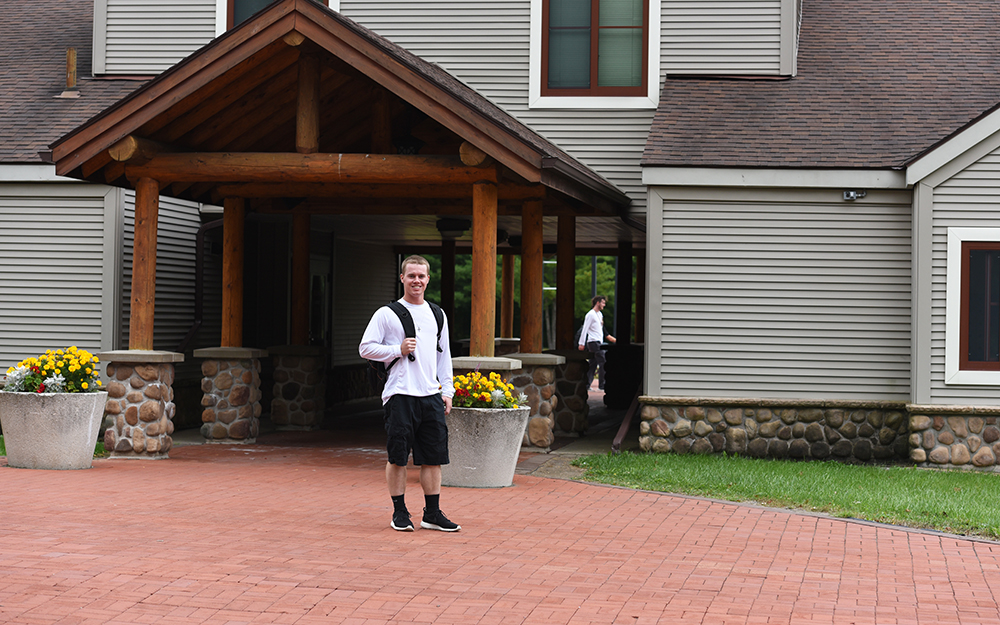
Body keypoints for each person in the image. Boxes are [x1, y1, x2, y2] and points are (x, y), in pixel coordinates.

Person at [359, 255, 460, 533]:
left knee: (433, 457)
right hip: (400, 394)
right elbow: (365, 347)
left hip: (430, 396)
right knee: (398, 457)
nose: (417, 280)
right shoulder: (387, 314)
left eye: (422, 276)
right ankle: (400, 512)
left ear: (428, 279)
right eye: (411, 275)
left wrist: (447, 390)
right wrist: (397, 350)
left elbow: (445, 357)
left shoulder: (437, 315)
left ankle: (432, 513)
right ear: (402, 278)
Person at [577, 295, 616, 391]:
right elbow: (585, 329)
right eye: (603, 302)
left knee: (593, 364)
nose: (604, 305)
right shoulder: (590, 315)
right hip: (593, 342)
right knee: (603, 361)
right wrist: (581, 343)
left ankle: (586, 385)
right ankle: (602, 385)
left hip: (599, 342)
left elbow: (602, 330)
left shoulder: (599, 315)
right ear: (597, 303)